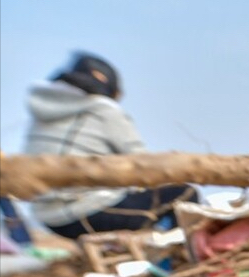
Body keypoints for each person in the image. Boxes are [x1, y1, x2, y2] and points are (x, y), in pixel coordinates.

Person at [22, 52, 198, 240]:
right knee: (184, 193)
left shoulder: (41, 111)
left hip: (48, 218)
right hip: (89, 214)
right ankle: (180, 257)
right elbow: (144, 163)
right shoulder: (103, 109)